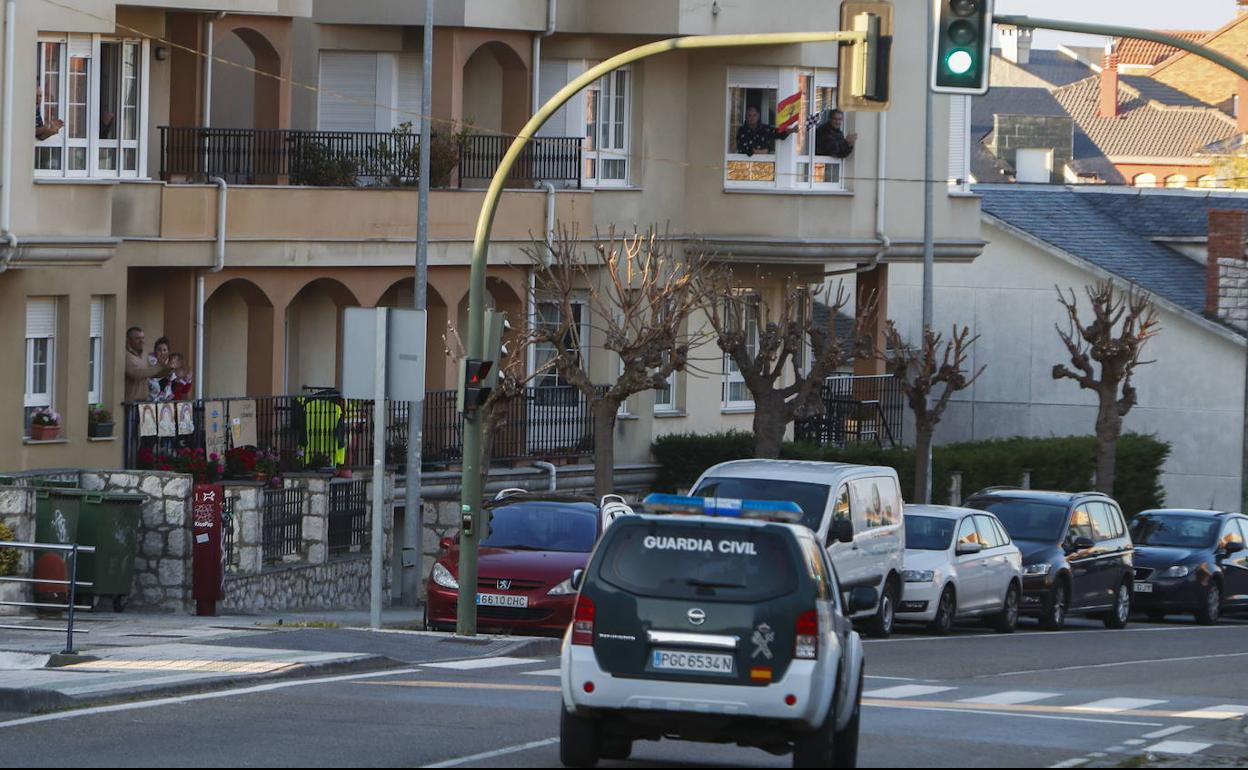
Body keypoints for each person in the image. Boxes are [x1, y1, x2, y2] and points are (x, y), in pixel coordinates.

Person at [125, 327, 170, 403]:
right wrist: (159, 366)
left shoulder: (144, 354)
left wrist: (168, 368)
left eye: (143, 338)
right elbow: (135, 374)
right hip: (130, 403)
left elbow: (153, 374)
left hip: (144, 402)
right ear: (129, 340)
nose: (142, 341)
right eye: (138, 338)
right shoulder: (126, 355)